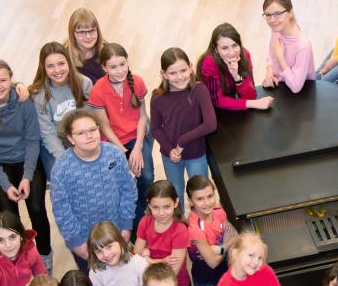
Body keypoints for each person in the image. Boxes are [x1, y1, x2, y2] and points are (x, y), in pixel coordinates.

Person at [0, 59, 53, 270]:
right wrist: (6, 185)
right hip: (0, 166)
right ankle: (19, 260)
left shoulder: (24, 102)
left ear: (11, 80)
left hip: (27, 159)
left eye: (3, 80)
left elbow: (32, 141)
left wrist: (27, 176)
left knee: (37, 209)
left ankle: (44, 256)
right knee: (8, 216)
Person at [50, 109, 136, 273]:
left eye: (93, 129)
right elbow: (62, 210)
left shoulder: (114, 154)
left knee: (122, 277)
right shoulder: (62, 168)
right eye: (81, 133)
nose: (89, 136)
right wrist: (76, 242)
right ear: (70, 138)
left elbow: (128, 190)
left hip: (117, 233)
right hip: (85, 241)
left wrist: (126, 225)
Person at [90, 42, 154, 230]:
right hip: (112, 141)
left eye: (122, 64)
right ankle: (122, 220)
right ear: (104, 68)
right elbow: (104, 126)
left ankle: (140, 217)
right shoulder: (98, 90)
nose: (119, 70)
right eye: (113, 67)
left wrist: (137, 148)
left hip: (138, 136)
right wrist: (125, 152)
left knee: (146, 177)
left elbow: (143, 116)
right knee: (119, 183)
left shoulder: (138, 82)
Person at [150, 47, 217, 202]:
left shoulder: (199, 90)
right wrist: (170, 150)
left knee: (200, 194)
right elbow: (155, 129)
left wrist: (181, 142)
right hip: (170, 156)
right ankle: (179, 224)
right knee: (176, 195)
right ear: (163, 74)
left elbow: (210, 124)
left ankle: (201, 225)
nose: (179, 77)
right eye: (172, 73)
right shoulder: (157, 97)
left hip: (196, 154)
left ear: (191, 67)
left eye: (183, 70)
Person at [29, 40, 92, 173]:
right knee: (65, 175)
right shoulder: (39, 95)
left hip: (81, 138)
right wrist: (66, 161)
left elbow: (89, 120)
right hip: (54, 144)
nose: (57, 70)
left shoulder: (84, 83)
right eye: (50, 66)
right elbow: (48, 133)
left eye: (61, 63)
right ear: (43, 69)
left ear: (68, 62)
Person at [186, 176, 238, 286]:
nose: (207, 202)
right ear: (190, 201)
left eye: (210, 196)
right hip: (207, 280)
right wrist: (226, 246)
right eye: (200, 199)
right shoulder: (194, 228)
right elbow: (212, 263)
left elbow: (235, 234)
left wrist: (219, 248)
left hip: (225, 270)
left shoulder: (218, 210)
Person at [198, 23, 274, 111]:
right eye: (225, 48)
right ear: (216, 49)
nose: (232, 52)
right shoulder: (209, 62)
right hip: (211, 108)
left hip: (232, 100)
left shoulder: (245, 55)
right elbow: (216, 101)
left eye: (234, 45)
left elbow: (251, 96)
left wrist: (237, 78)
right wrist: (254, 103)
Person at [134, 180, 191, 286]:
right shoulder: (145, 222)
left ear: (176, 203)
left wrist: (147, 260)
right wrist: (162, 261)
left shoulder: (180, 230)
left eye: (166, 207)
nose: (161, 213)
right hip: (150, 284)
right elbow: (135, 258)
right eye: (155, 207)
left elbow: (172, 272)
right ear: (149, 204)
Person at [260, 0, 315, 93]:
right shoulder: (277, 29)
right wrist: (269, 71)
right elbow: (271, 54)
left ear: (290, 13)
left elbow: (296, 87)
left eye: (277, 14)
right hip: (280, 86)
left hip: (300, 96)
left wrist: (280, 57)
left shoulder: (303, 46)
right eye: (268, 15)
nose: (272, 20)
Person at [64, 7, 109, 82]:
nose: (88, 37)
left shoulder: (107, 49)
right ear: (72, 34)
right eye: (82, 32)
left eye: (92, 30)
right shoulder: (64, 56)